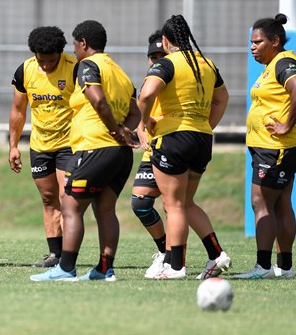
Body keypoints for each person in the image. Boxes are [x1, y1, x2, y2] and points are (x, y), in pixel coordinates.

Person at [30, 20, 139, 282]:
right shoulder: (119, 71)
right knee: (105, 209)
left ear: (84, 44)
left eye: (75, 45)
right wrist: (125, 131)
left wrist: (114, 130)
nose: (74, 50)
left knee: (70, 206)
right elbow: (136, 111)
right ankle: (104, 269)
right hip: (119, 153)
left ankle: (65, 268)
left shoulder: (87, 66)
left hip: (94, 146)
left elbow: (98, 100)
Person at [137, 14, 231, 280]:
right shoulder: (206, 63)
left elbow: (146, 94)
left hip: (174, 138)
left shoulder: (168, 63)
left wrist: (145, 121)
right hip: (202, 138)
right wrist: (206, 124)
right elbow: (222, 98)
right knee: (186, 203)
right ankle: (216, 254)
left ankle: (175, 267)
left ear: (165, 41)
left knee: (174, 205)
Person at [233, 13, 296, 280]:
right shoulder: (273, 63)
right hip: (273, 146)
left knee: (260, 201)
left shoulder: (284, 62)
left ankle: (263, 267)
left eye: (257, 42)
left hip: (276, 147)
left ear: (275, 41)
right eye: (251, 42)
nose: (252, 47)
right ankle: (284, 267)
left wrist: (286, 124)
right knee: (280, 203)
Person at [9, 26, 77, 268]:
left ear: (60, 53)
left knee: (66, 197)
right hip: (40, 145)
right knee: (48, 199)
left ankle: (69, 256)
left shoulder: (75, 69)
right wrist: (13, 145)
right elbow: (18, 110)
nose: (46, 65)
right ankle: (54, 255)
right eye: (41, 60)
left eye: (51, 61)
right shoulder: (25, 70)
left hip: (70, 144)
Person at [132, 31, 170, 278]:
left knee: (174, 205)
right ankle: (166, 252)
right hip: (152, 148)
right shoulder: (149, 78)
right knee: (141, 203)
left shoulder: (175, 73)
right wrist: (141, 130)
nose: (155, 60)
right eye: (152, 56)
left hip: (172, 144)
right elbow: (142, 112)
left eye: (160, 55)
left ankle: (213, 253)